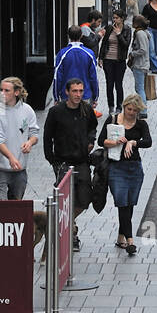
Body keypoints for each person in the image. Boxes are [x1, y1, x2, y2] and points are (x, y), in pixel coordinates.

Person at [42, 77, 98, 250]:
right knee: (64, 197)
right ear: (67, 92)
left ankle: (70, 222)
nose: (78, 94)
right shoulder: (56, 112)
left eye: (81, 91)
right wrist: (51, 159)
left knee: (84, 197)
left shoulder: (86, 109)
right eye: (74, 91)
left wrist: (90, 140)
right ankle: (70, 234)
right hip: (62, 161)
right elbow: (47, 136)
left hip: (81, 160)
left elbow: (92, 127)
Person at [98, 94, 151, 256]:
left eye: (135, 110)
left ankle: (121, 237)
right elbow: (101, 141)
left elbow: (148, 142)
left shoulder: (140, 124)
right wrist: (116, 142)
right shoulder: (113, 120)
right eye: (129, 109)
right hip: (116, 167)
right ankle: (130, 241)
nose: (131, 113)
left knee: (129, 204)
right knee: (122, 202)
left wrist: (132, 142)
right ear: (124, 106)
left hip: (134, 168)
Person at [0, 76, 39, 199]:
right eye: (1, 90)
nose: (2, 93)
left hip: (20, 169)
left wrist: (30, 142)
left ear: (16, 92)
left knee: (17, 206)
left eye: (6, 90)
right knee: (2, 208)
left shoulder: (27, 110)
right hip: (0, 168)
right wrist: (10, 157)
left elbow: (34, 132)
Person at [53, 26, 99, 107]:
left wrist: (56, 97)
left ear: (68, 36)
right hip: (84, 94)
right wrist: (95, 97)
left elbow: (57, 77)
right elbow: (94, 78)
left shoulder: (62, 53)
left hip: (67, 95)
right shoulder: (89, 53)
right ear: (81, 36)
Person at [97, 9, 131, 114]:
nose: (114, 20)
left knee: (118, 84)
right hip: (108, 60)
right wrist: (101, 58)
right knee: (109, 84)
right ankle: (111, 106)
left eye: (116, 18)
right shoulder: (109, 28)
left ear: (122, 19)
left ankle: (119, 106)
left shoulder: (127, 29)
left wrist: (119, 34)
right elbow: (104, 44)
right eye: (114, 17)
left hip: (120, 61)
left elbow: (126, 45)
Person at [127, 15, 151, 114]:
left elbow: (143, 49)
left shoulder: (140, 34)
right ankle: (142, 109)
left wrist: (132, 53)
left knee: (140, 89)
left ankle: (143, 111)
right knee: (140, 88)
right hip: (142, 64)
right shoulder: (143, 32)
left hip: (140, 65)